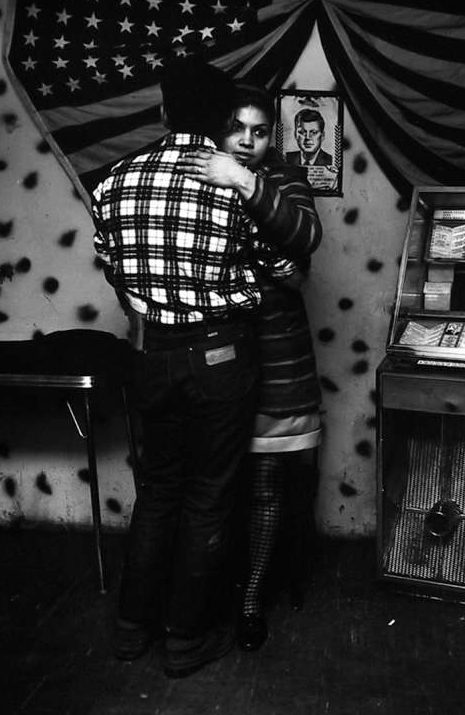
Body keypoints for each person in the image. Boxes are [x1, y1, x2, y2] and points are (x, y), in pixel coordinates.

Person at [91, 56, 321, 679]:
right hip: (220, 353)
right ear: (219, 120)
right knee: (208, 498)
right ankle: (185, 640)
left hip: (151, 353)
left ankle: (131, 630)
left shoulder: (112, 180)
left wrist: (145, 296)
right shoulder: (228, 183)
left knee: (156, 493)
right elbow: (283, 262)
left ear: (163, 111)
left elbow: (110, 263)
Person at [182, 84, 323, 652]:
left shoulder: (283, 179)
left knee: (266, 487)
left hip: (275, 356)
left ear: (274, 136)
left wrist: (244, 181)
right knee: (213, 483)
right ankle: (206, 596)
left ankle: (250, 601)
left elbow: (307, 237)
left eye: (260, 131)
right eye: (237, 128)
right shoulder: (192, 169)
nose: (247, 140)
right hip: (210, 352)